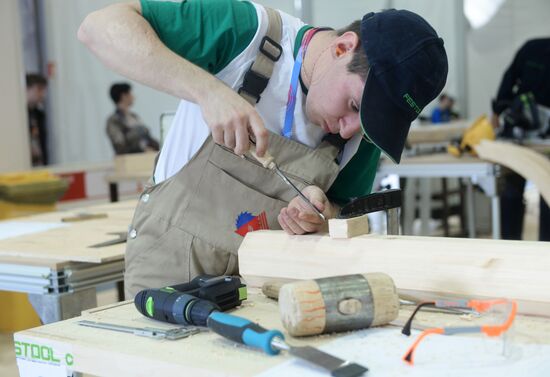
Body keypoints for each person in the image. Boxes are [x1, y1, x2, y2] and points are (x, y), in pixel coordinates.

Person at [79, 0, 448, 298]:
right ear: (342, 48)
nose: (352, 129)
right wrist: (208, 91)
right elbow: (98, 28)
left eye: (368, 124)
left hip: (271, 295)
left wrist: (321, 213)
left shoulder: (362, 133)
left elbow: (344, 215)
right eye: (354, 106)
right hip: (168, 278)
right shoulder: (247, 34)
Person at [491, 38, 550, 242]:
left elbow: (508, 79)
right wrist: (498, 110)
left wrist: (498, 110)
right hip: (524, 134)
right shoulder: (531, 48)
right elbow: (509, 78)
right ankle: (517, 248)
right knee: (518, 190)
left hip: (532, 136)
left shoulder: (530, 47)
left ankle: (536, 252)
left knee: (535, 191)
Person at [106, 82, 160, 154]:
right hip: (130, 161)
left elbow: (148, 137)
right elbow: (120, 146)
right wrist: (143, 149)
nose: (133, 97)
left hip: (146, 157)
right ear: (124, 96)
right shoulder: (113, 121)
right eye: (130, 94)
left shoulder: (134, 117)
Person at [26, 73, 49, 166]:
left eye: (43, 90)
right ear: (27, 89)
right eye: (39, 89)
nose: (42, 94)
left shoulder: (39, 115)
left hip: (40, 164)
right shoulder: (17, 116)